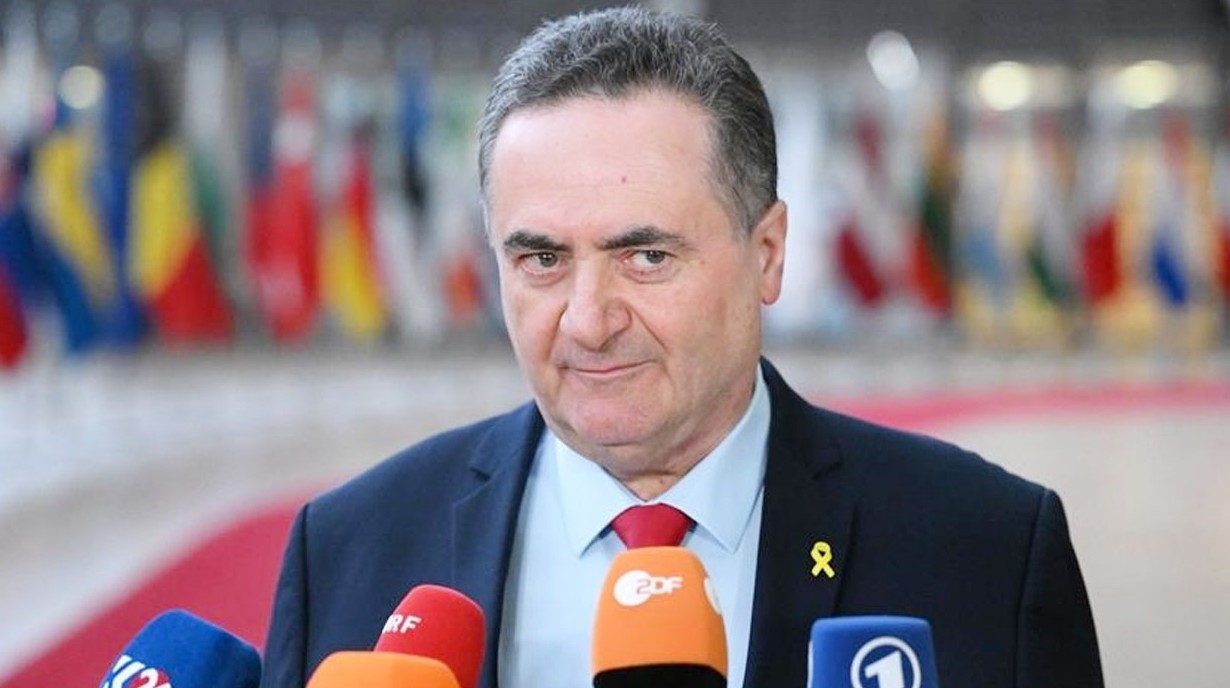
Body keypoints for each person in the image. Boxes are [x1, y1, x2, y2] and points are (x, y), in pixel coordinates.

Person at [260, 7, 1103, 688]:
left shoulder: (990, 551)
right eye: (542, 260)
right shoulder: (345, 550)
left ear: (767, 254)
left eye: (646, 256)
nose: (588, 321)